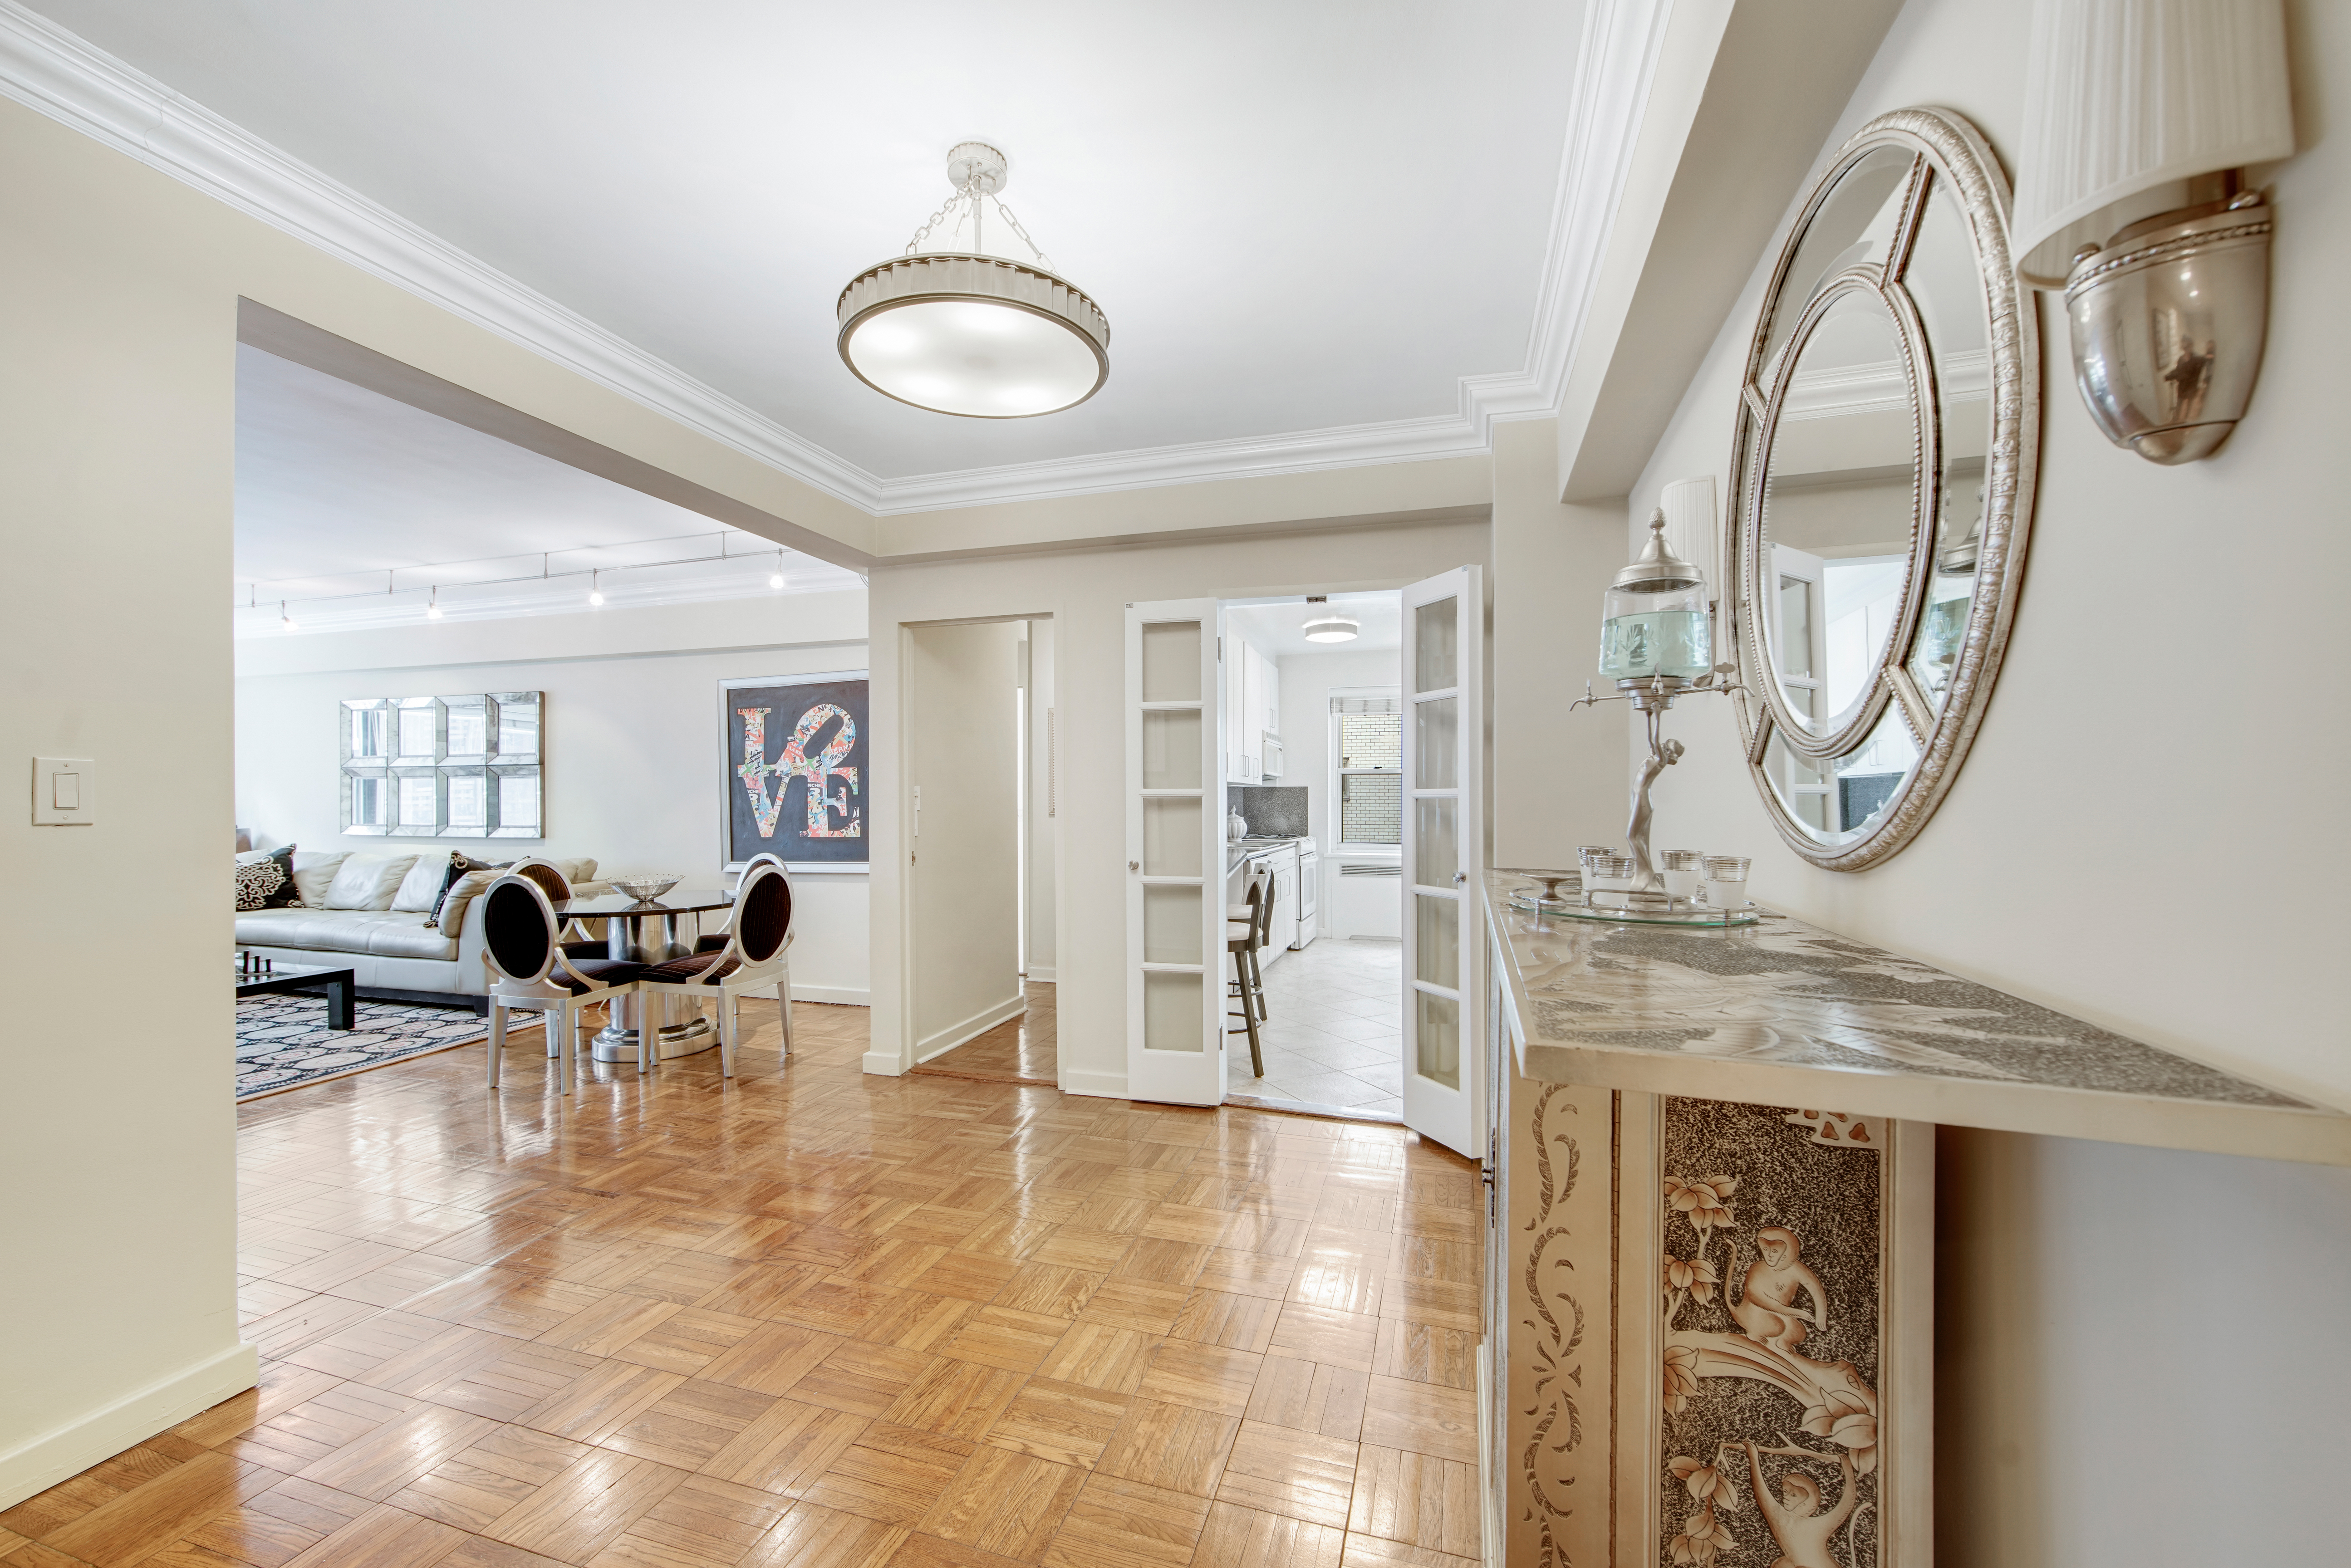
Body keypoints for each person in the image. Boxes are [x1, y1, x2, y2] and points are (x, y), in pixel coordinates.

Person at [1742, 1441, 1856, 1568]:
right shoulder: (1780, 1518)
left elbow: (1846, 1506)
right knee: (1783, 1564)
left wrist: (1848, 1471)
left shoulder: (1816, 1526)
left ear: (1809, 1498)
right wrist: (1753, 1457)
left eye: (1794, 1495)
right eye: (1785, 1492)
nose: (1786, 1497)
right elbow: (1761, 1494)